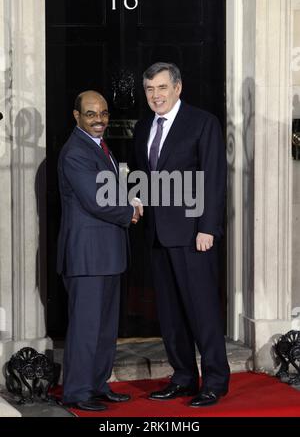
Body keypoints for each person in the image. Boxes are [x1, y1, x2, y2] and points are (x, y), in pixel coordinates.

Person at [133, 62, 230, 407]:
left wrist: (208, 227)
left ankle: (215, 381)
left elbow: (214, 179)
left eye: (161, 88)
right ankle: (184, 378)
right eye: (149, 89)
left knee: (202, 310)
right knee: (171, 314)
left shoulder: (203, 123)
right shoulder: (144, 126)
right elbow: (144, 175)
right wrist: (135, 195)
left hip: (193, 235)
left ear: (177, 88)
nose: (155, 96)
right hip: (158, 235)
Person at [57, 90, 142, 411]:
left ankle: (96, 383)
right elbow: (96, 199)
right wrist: (129, 212)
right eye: (91, 114)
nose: (99, 120)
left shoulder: (99, 147)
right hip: (87, 256)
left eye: (104, 113)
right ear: (76, 116)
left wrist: (129, 201)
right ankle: (77, 392)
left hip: (107, 254)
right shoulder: (75, 152)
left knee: (105, 328)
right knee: (86, 327)